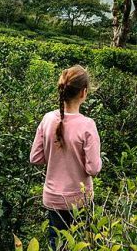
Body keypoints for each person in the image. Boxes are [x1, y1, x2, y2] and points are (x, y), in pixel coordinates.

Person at [30, 65, 102, 250]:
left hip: (53, 198)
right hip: (80, 199)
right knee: (81, 243)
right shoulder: (87, 125)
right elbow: (93, 169)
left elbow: (35, 158)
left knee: (58, 244)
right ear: (83, 92)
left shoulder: (47, 118)